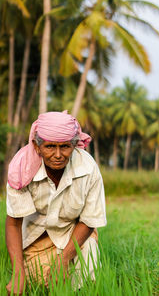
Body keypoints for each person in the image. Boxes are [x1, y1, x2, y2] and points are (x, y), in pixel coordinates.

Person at [5, 111, 107, 295]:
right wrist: (18, 273)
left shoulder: (88, 168)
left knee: (88, 270)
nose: (58, 154)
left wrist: (64, 259)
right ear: (37, 146)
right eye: (50, 146)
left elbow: (89, 220)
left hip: (74, 234)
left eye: (65, 147)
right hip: (37, 238)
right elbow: (13, 223)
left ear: (75, 145)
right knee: (36, 284)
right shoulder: (20, 171)